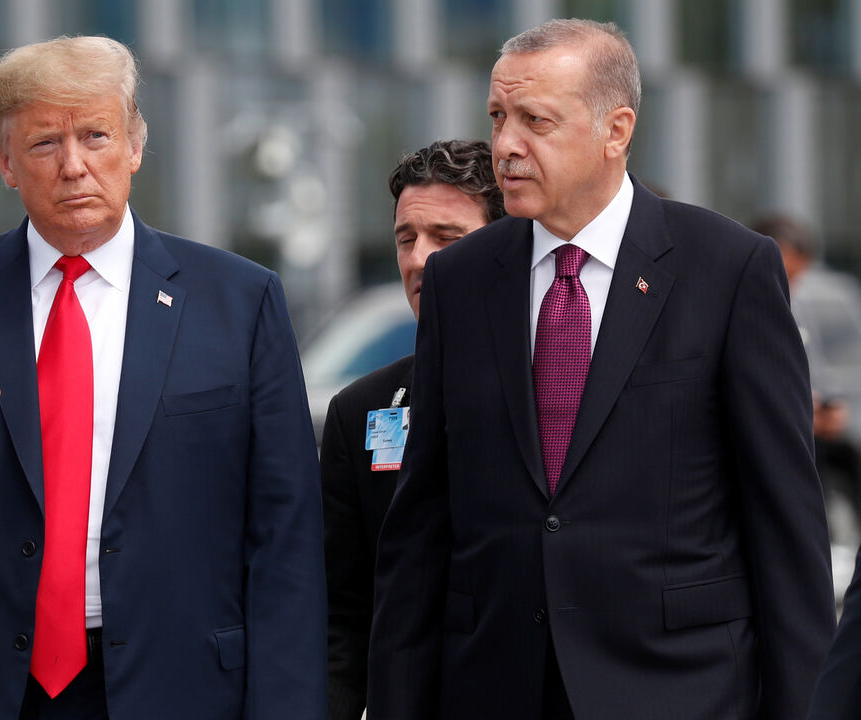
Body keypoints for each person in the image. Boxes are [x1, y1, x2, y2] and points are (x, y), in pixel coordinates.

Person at [0, 36, 325, 720]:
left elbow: (287, 534)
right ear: (5, 162)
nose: (74, 166)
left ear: (135, 147)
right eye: (44, 145)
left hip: (182, 687)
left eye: (96, 135)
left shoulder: (238, 301)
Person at [368, 19, 834, 719]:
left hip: (682, 690)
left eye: (535, 121)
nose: (505, 146)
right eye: (497, 118)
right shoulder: (461, 282)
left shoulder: (727, 269)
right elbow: (422, 528)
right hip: (495, 688)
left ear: (616, 131)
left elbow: (786, 528)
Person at [319, 138, 503, 720]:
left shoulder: (564, 387)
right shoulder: (363, 409)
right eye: (407, 238)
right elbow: (342, 615)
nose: (419, 258)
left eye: (446, 237)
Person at [753, 214, 861, 525]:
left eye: (797, 278)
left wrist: (827, 406)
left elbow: (817, 369)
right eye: (785, 275)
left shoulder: (797, 306)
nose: (790, 287)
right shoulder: (727, 308)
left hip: (804, 450)